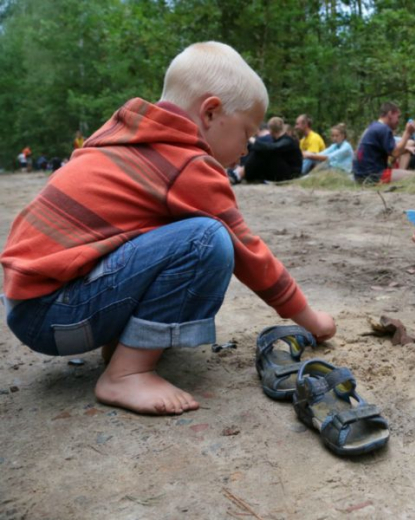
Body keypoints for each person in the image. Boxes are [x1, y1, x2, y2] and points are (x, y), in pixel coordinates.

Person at [1, 41, 335, 416]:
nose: (247, 148)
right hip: (57, 316)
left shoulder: (127, 138)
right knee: (208, 239)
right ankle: (127, 373)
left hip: (28, 306)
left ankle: (121, 348)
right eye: (246, 132)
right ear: (210, 112)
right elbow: (250, 253)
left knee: (164, 233)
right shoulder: (186, 162)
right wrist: (310, 318)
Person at [353, 102, 415, 184]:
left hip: (360, 175)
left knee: (408, 174)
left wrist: (405, 149)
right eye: (398, 117)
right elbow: (395, 153)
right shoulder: (383, 129)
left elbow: (390, 151)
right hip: (373, 176)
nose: (398, 121)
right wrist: (407, 133)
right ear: (390, 113)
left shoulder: (374, 126)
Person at [238, 116, 303, 183]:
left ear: (270, 130)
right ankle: (243, 173)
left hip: (291, 174)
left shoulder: (288, 140)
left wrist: (251, 139)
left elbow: (273, 147)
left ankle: (239, 174)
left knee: (264, 151)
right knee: (263, 150)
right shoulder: (281, 140)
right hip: (284, 171)